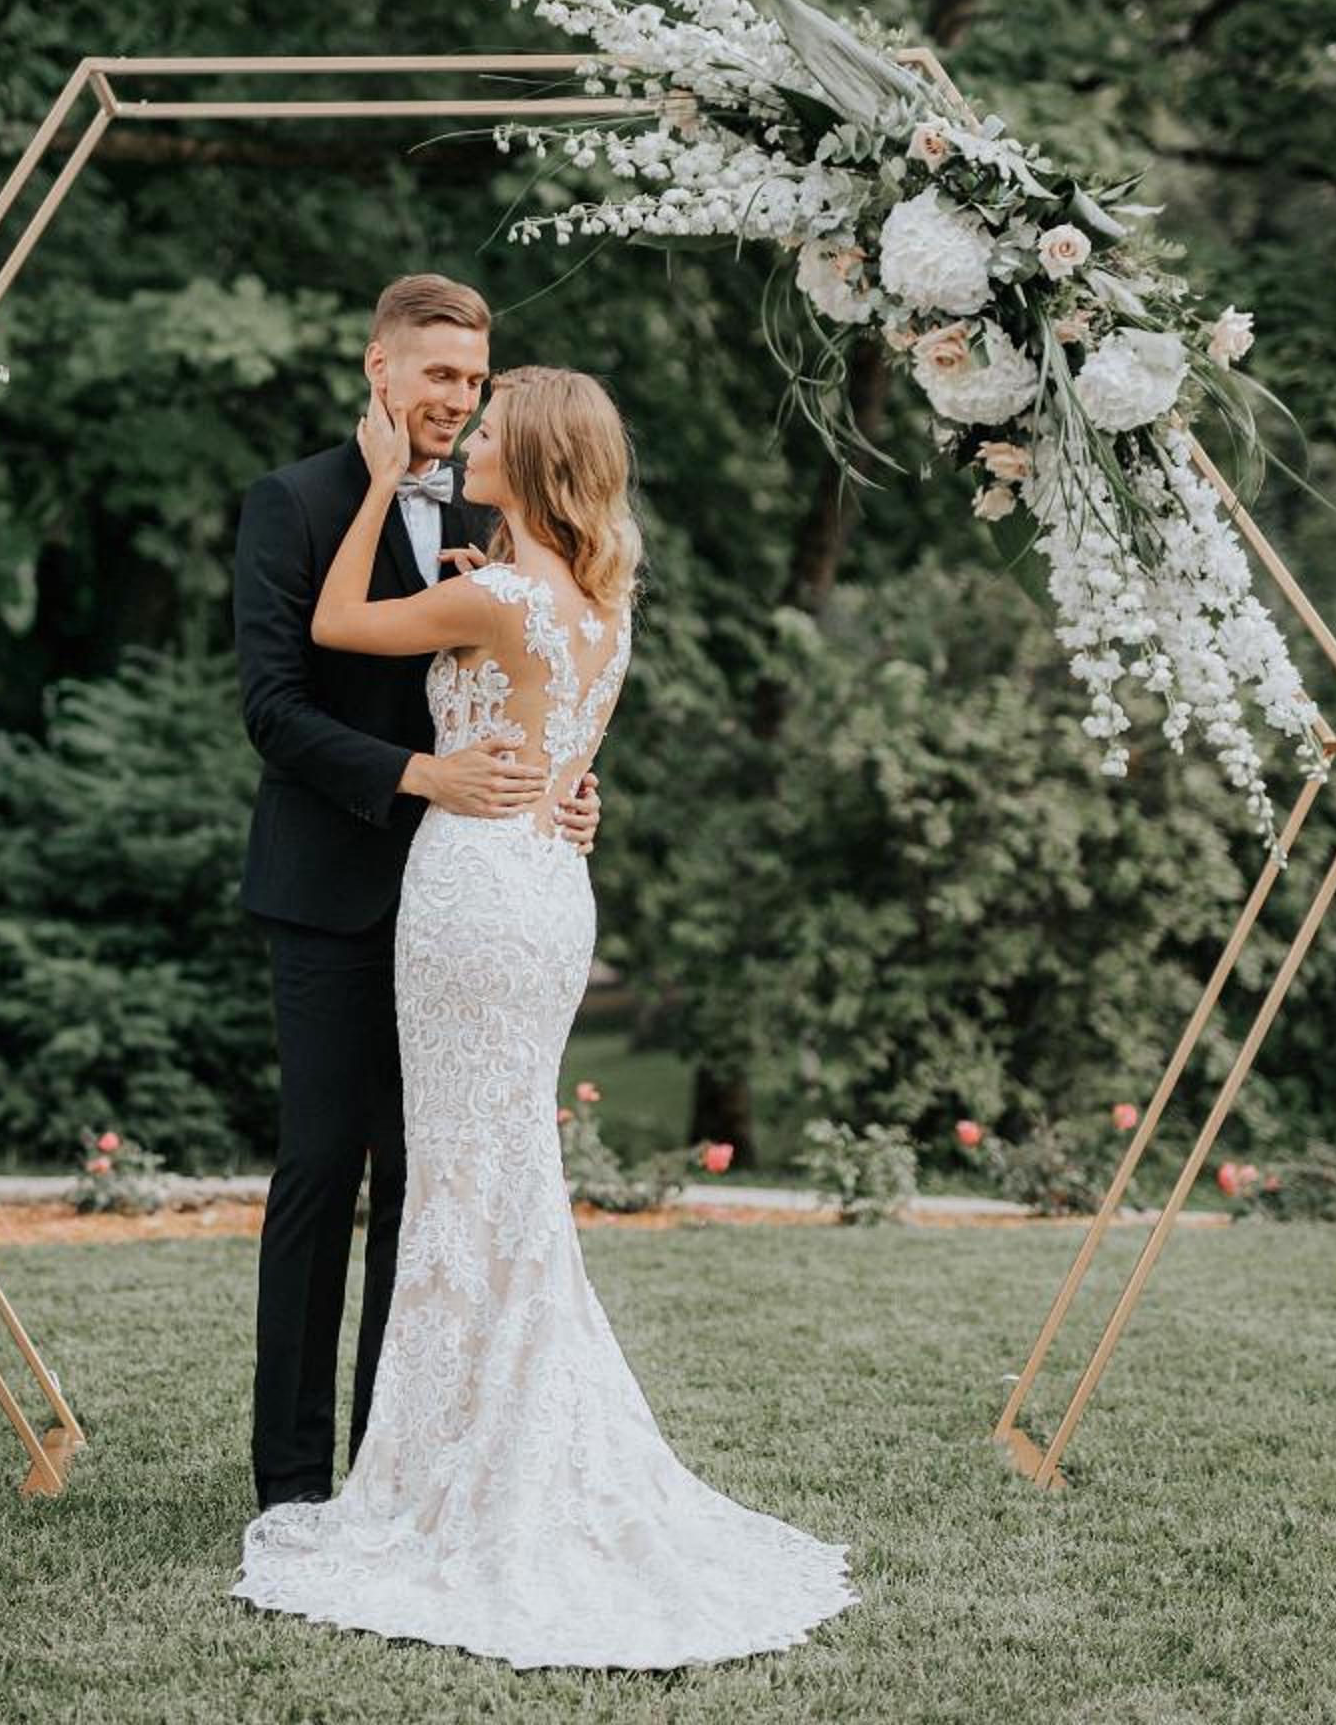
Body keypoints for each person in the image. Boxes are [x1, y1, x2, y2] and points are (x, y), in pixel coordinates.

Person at [228, 363, 860, 1670]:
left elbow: (337, 621)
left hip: (471, 890)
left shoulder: (497, 594)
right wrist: (564, 770)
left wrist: (380, 481)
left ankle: (458, 1463)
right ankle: (472, 1440)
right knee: (493, 1175)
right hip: (548, 891)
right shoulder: (597, 600)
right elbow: (564, 737)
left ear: (534, 456)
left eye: (493, 423)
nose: (472, 436)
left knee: (465, 1179)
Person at [231, 274, 602, 1516]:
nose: (458, 398)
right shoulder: (293, 502)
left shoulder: (500, 514)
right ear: (379, 367)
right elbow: (274, 711)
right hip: (335, 886)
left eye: (475, 379)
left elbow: (538, 679)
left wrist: (569, 791)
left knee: (427, 1179)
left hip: (474, 903)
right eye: (439, 373)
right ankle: (292, 1479)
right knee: (320, 1169)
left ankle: (392, 1466)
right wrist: (420, 774)